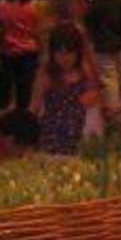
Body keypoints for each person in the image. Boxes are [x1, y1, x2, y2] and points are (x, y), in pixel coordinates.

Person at [29, 23, 101, 153]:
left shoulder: (84, 72)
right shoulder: (47, 75)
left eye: (69, 52)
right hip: (52, 136)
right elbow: (34, 106)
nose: (65, 58)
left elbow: (95, 96)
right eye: (59, 52)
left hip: (79, 134)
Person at [0, 0, 44, 110]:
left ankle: (12, 110)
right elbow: (39, 30)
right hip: (29, 51)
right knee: (26, 87)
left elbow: (1, 25)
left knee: (13, 85)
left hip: (8, 50)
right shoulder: (35, 6)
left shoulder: (2, 4)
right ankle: (23, 113)